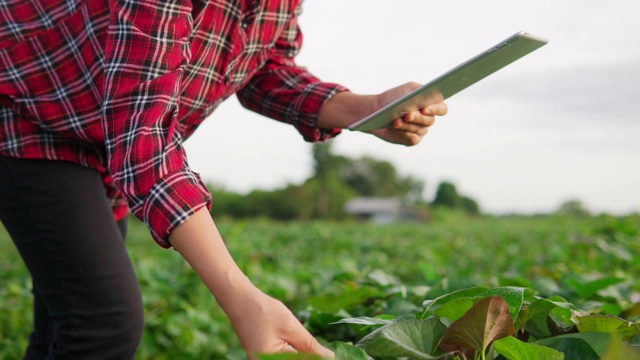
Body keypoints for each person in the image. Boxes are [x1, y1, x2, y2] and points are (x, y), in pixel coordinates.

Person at [0, 0, 448, 359]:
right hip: (27, 116)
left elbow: (265, 69)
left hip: (96, 133)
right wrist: (242, 297)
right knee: (104, 325)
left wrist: (367, 109)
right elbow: (142, 134)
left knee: (70, 326)